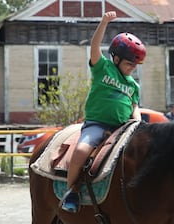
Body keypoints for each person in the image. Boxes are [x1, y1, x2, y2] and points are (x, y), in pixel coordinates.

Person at [60, 11, 146, 213]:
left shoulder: (133, 85)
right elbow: (95, 46)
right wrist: (104, 22)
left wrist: (137, 121)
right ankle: (71, 190)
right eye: (128, 63)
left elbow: (134, 106)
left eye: (135, 65)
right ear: (115, 58)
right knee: (81, 151)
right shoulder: (103, 68)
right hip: (97, 125)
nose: (132, 68)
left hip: (122, 128)